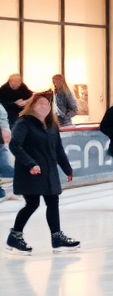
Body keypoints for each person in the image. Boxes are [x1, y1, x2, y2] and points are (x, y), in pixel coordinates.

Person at [5, 92, 79, 255]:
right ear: (32, 106)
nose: (44, 107)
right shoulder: (24, 123)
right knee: (32, 203)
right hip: (30, 172)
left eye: (46, 104)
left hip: (49, 171)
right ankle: (14, 237)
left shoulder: (51, 125)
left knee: (53, 201)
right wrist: (30, 163)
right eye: (40, 104)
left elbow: (58, 149)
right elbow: (15, 145)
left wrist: (67, 168)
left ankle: (57, 238)